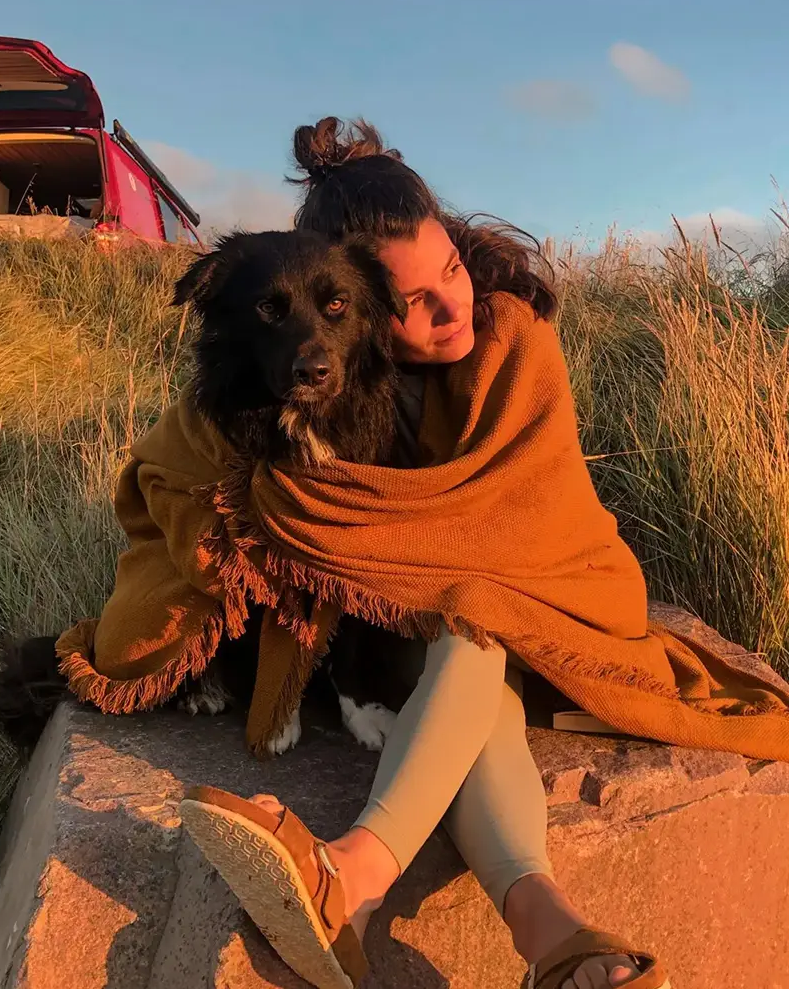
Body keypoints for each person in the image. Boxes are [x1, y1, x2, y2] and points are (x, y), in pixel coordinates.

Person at [178, 118, 670, 989]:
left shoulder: (516, 339)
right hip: (460, 636)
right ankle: (554, 941)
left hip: (564, 599)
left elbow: (524, 523)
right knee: (474, 652)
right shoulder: (340, 372)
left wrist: (453, 576)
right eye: (415, 305)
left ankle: (353, 878)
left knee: (476, 613)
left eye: (452, 270)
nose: (455, 311)